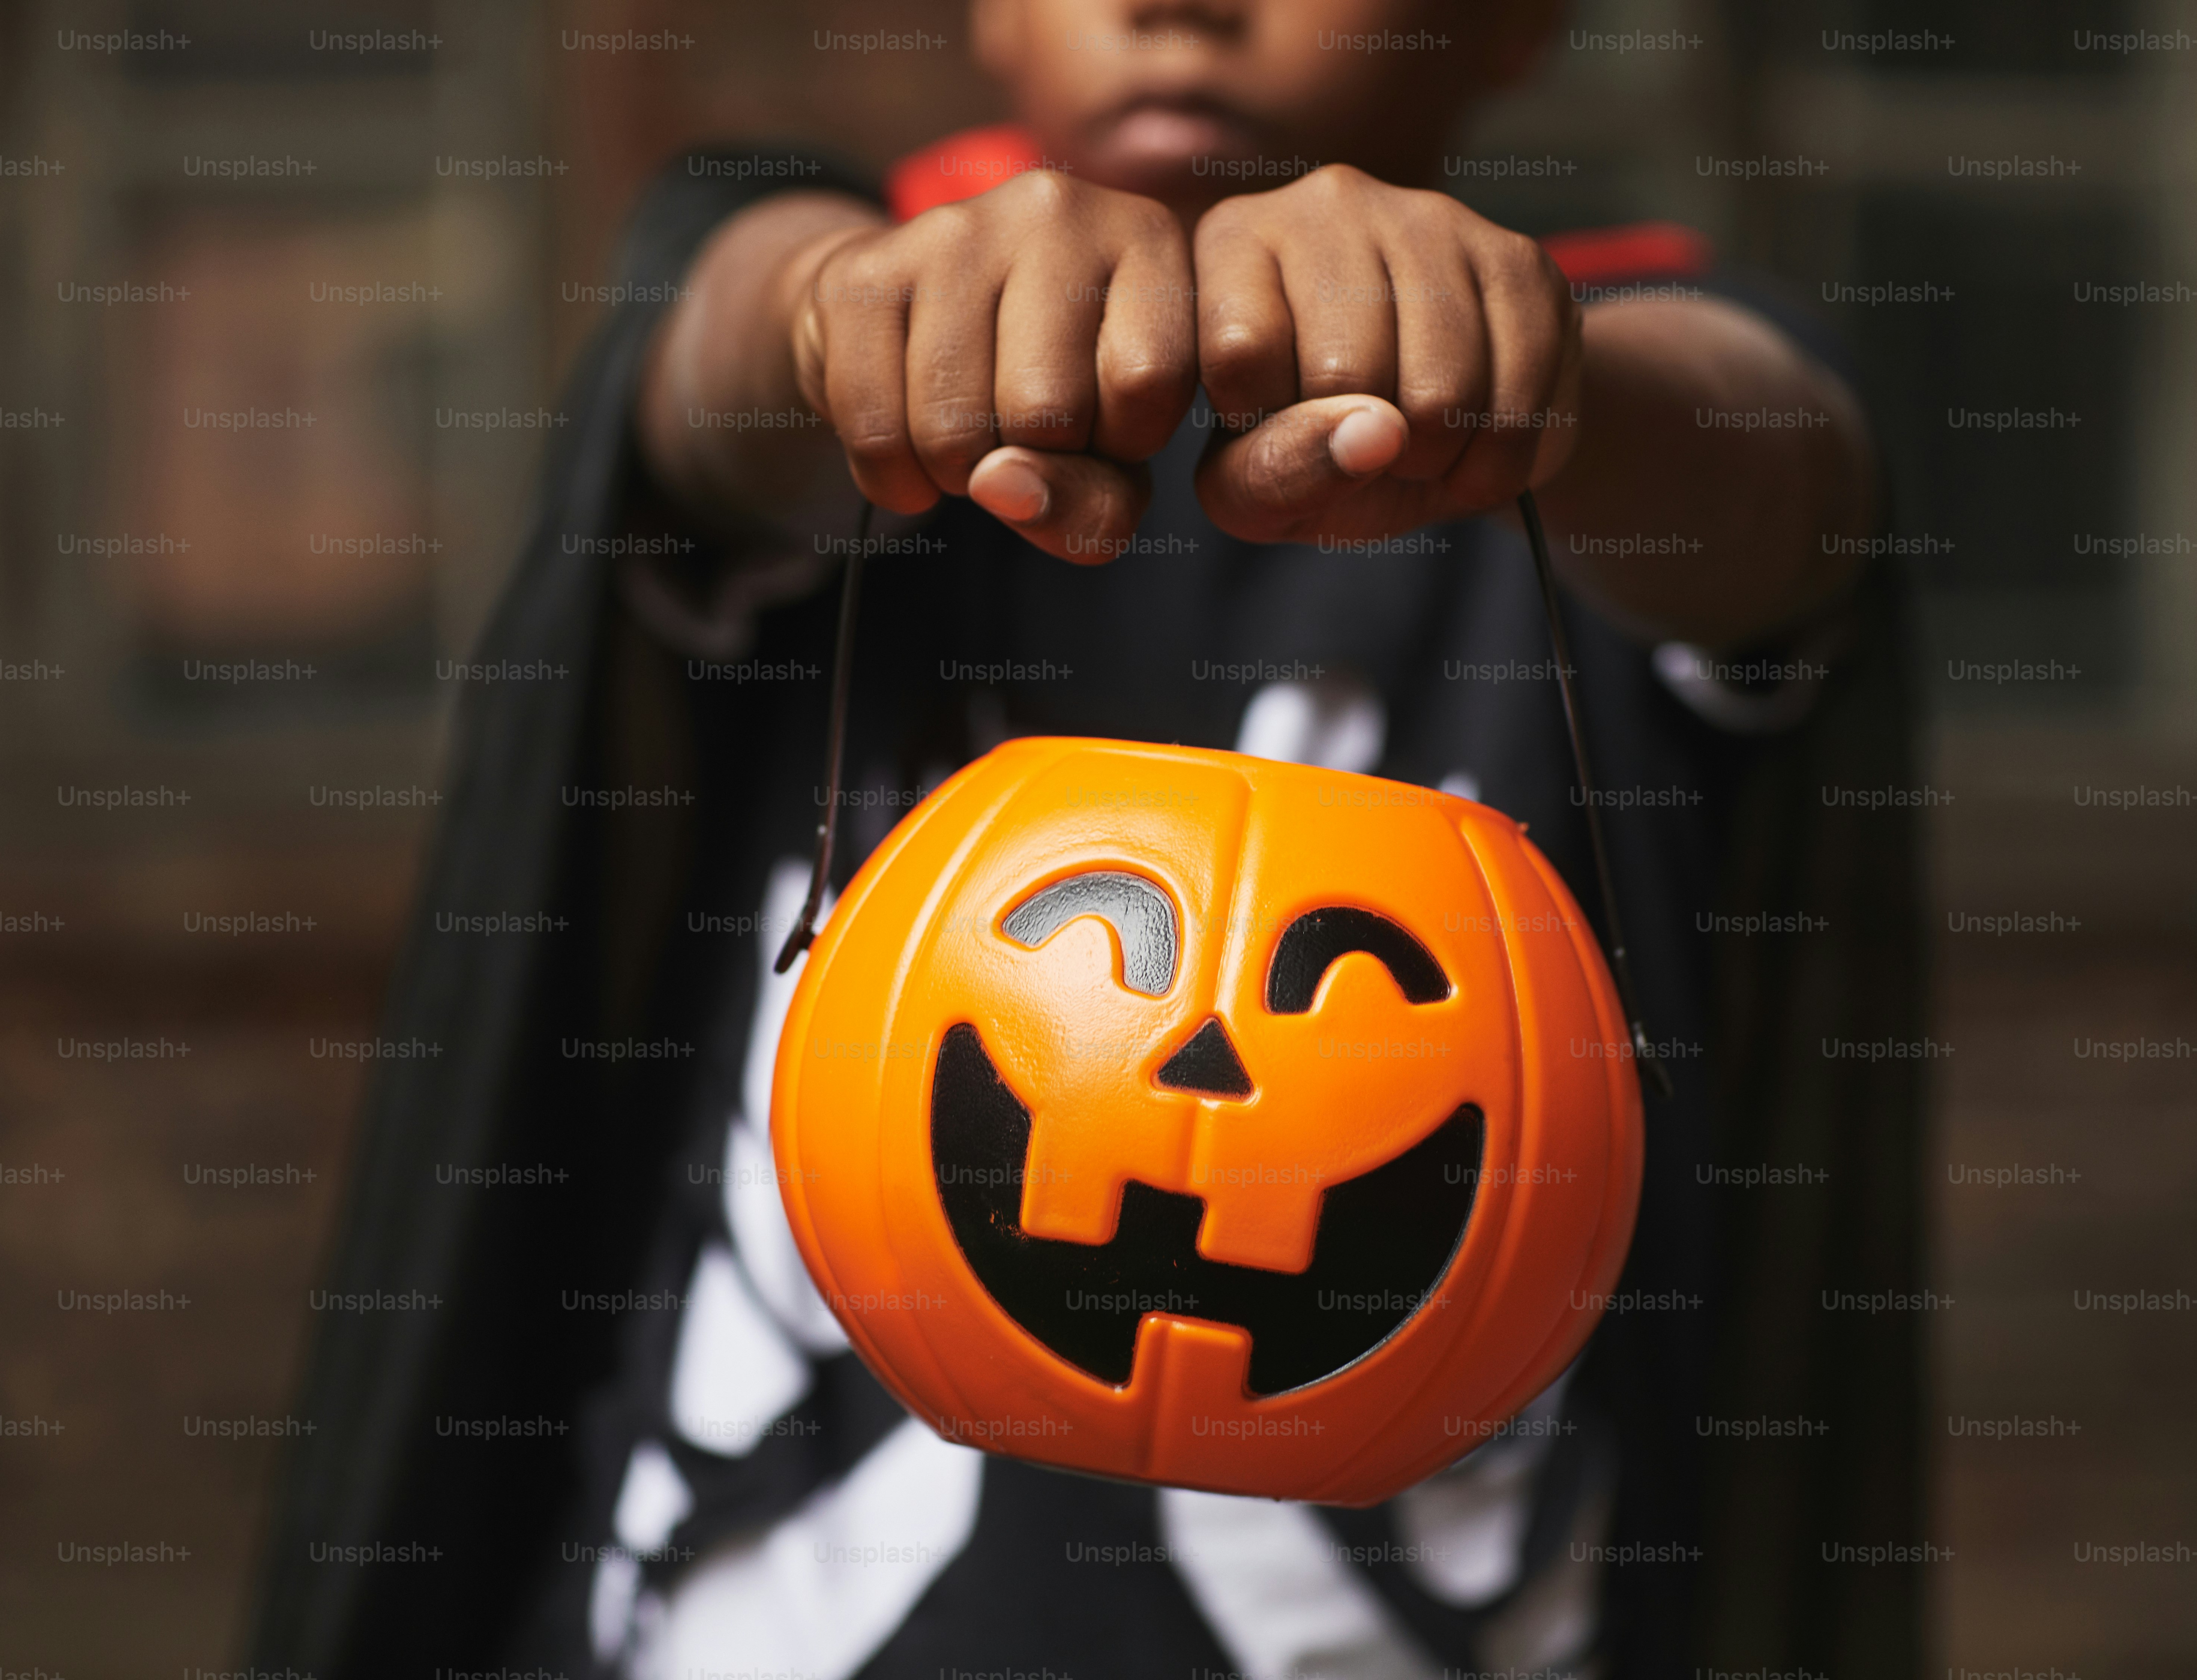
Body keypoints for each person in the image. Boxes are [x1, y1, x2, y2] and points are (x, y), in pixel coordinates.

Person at [249, 2, 1931, 1676]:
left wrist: (1556, 382)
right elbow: (712, 367)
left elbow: (1775, 479)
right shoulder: (843, 304)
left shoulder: (1641, 378)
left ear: (1516, 24)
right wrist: (841, 310)